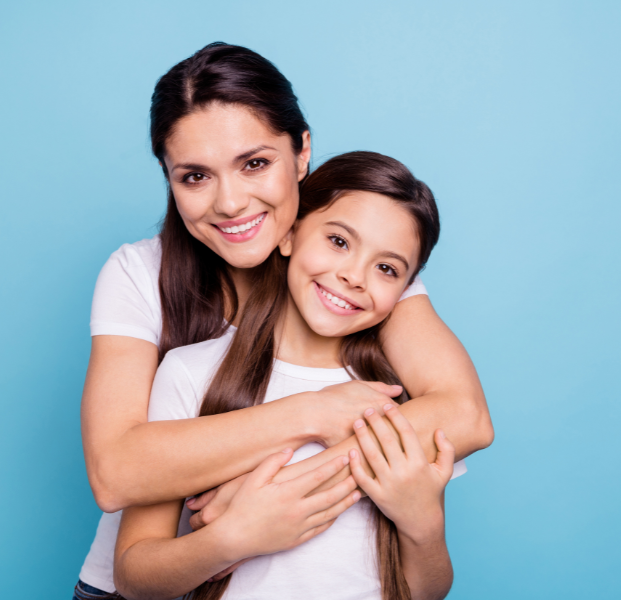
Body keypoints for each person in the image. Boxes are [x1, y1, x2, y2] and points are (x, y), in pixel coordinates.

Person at [75, 42, 493, 599]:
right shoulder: (140, 276)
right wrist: (314, 417)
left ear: (301, 153)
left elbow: (465, 415)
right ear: (169, 179)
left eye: (255, 163)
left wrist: (283, 492)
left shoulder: (354, 270)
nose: (230, 203)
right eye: (195, 176)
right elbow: (116, 472)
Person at [115, 151, 460, 600]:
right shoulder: (190, 373)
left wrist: (424, 526)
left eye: (387, 268)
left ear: (405, 291)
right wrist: (231, 539)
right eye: (339, 241)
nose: (354, 276)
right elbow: (133, 575)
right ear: (289, 235)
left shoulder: (403, 399)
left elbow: (426, 592)